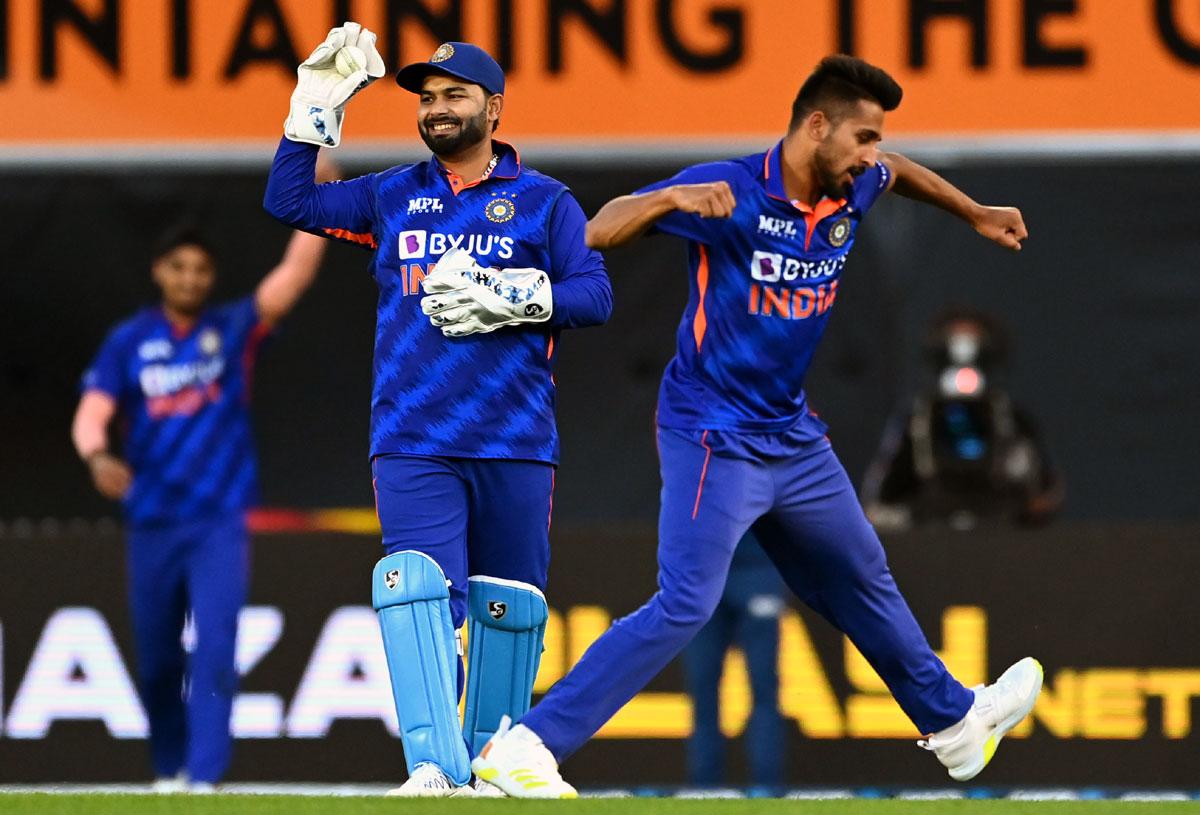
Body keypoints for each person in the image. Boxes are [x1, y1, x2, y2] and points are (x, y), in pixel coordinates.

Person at [472, 55, 1042, 798]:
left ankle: (956, 724)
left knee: (861, 573)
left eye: (875, 140)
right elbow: (598, 230)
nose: (872, 156)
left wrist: (973, 211)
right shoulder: (731, 191)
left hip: (791, 435)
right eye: (862, 137)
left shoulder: (854, 185)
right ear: (815, 126)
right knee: (685, 600)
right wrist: (670, 198)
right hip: (713, 430)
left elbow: (900, 170)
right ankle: (526, 746)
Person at [262, 25, 612, 797]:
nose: (437, 108)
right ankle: (433, 764)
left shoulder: (545, 202)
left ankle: (494, 769)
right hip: (415, 435)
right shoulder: (392, 193)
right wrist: (312, 110)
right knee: (417, 587)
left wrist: (516, 295)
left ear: (494, 105)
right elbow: (288, 199)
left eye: (454, 95)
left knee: (510, 611)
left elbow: (596, 295)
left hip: (517, 439)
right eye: (426, 98)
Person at [71, 180, 334, 790]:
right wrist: (95, 456)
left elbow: (292, 278)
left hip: (219, 520)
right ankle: (169, 769)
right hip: (153, 519)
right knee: (160, 659)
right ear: (159, 271)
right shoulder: (130, 341)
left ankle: (205, 778)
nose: (191, 279)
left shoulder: (233, 329)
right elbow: (92, 410)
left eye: (201, 270)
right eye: (179, 268)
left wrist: (321, 195)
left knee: (216, 648)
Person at [862, 307, 1064, 532]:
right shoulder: (919, 419)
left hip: (1002, 532)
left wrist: (1026, 510)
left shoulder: (1010, 418)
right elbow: (881, 499)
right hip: (931, 533)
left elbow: (1044, 493)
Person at [682, 531, 787, 789]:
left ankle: (767, 788)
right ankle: (703, 792)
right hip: (706, 577)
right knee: (703, 690)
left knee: (763, 689)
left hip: (755, 570)